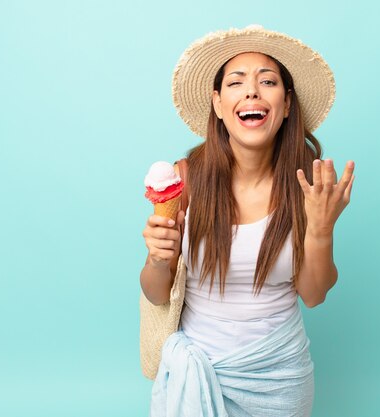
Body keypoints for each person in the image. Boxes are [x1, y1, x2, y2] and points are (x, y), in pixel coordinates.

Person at [140, 25, 355, 416]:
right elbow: (157, 294)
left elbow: (313, 294)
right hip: (197, 371)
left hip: (278, 376)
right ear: (219, 104)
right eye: (236, 82)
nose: (252, 91)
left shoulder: (307, 181)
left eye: (267, 81)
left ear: (287, 104)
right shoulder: (185, 179)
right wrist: (157, 257)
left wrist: (322, 230)